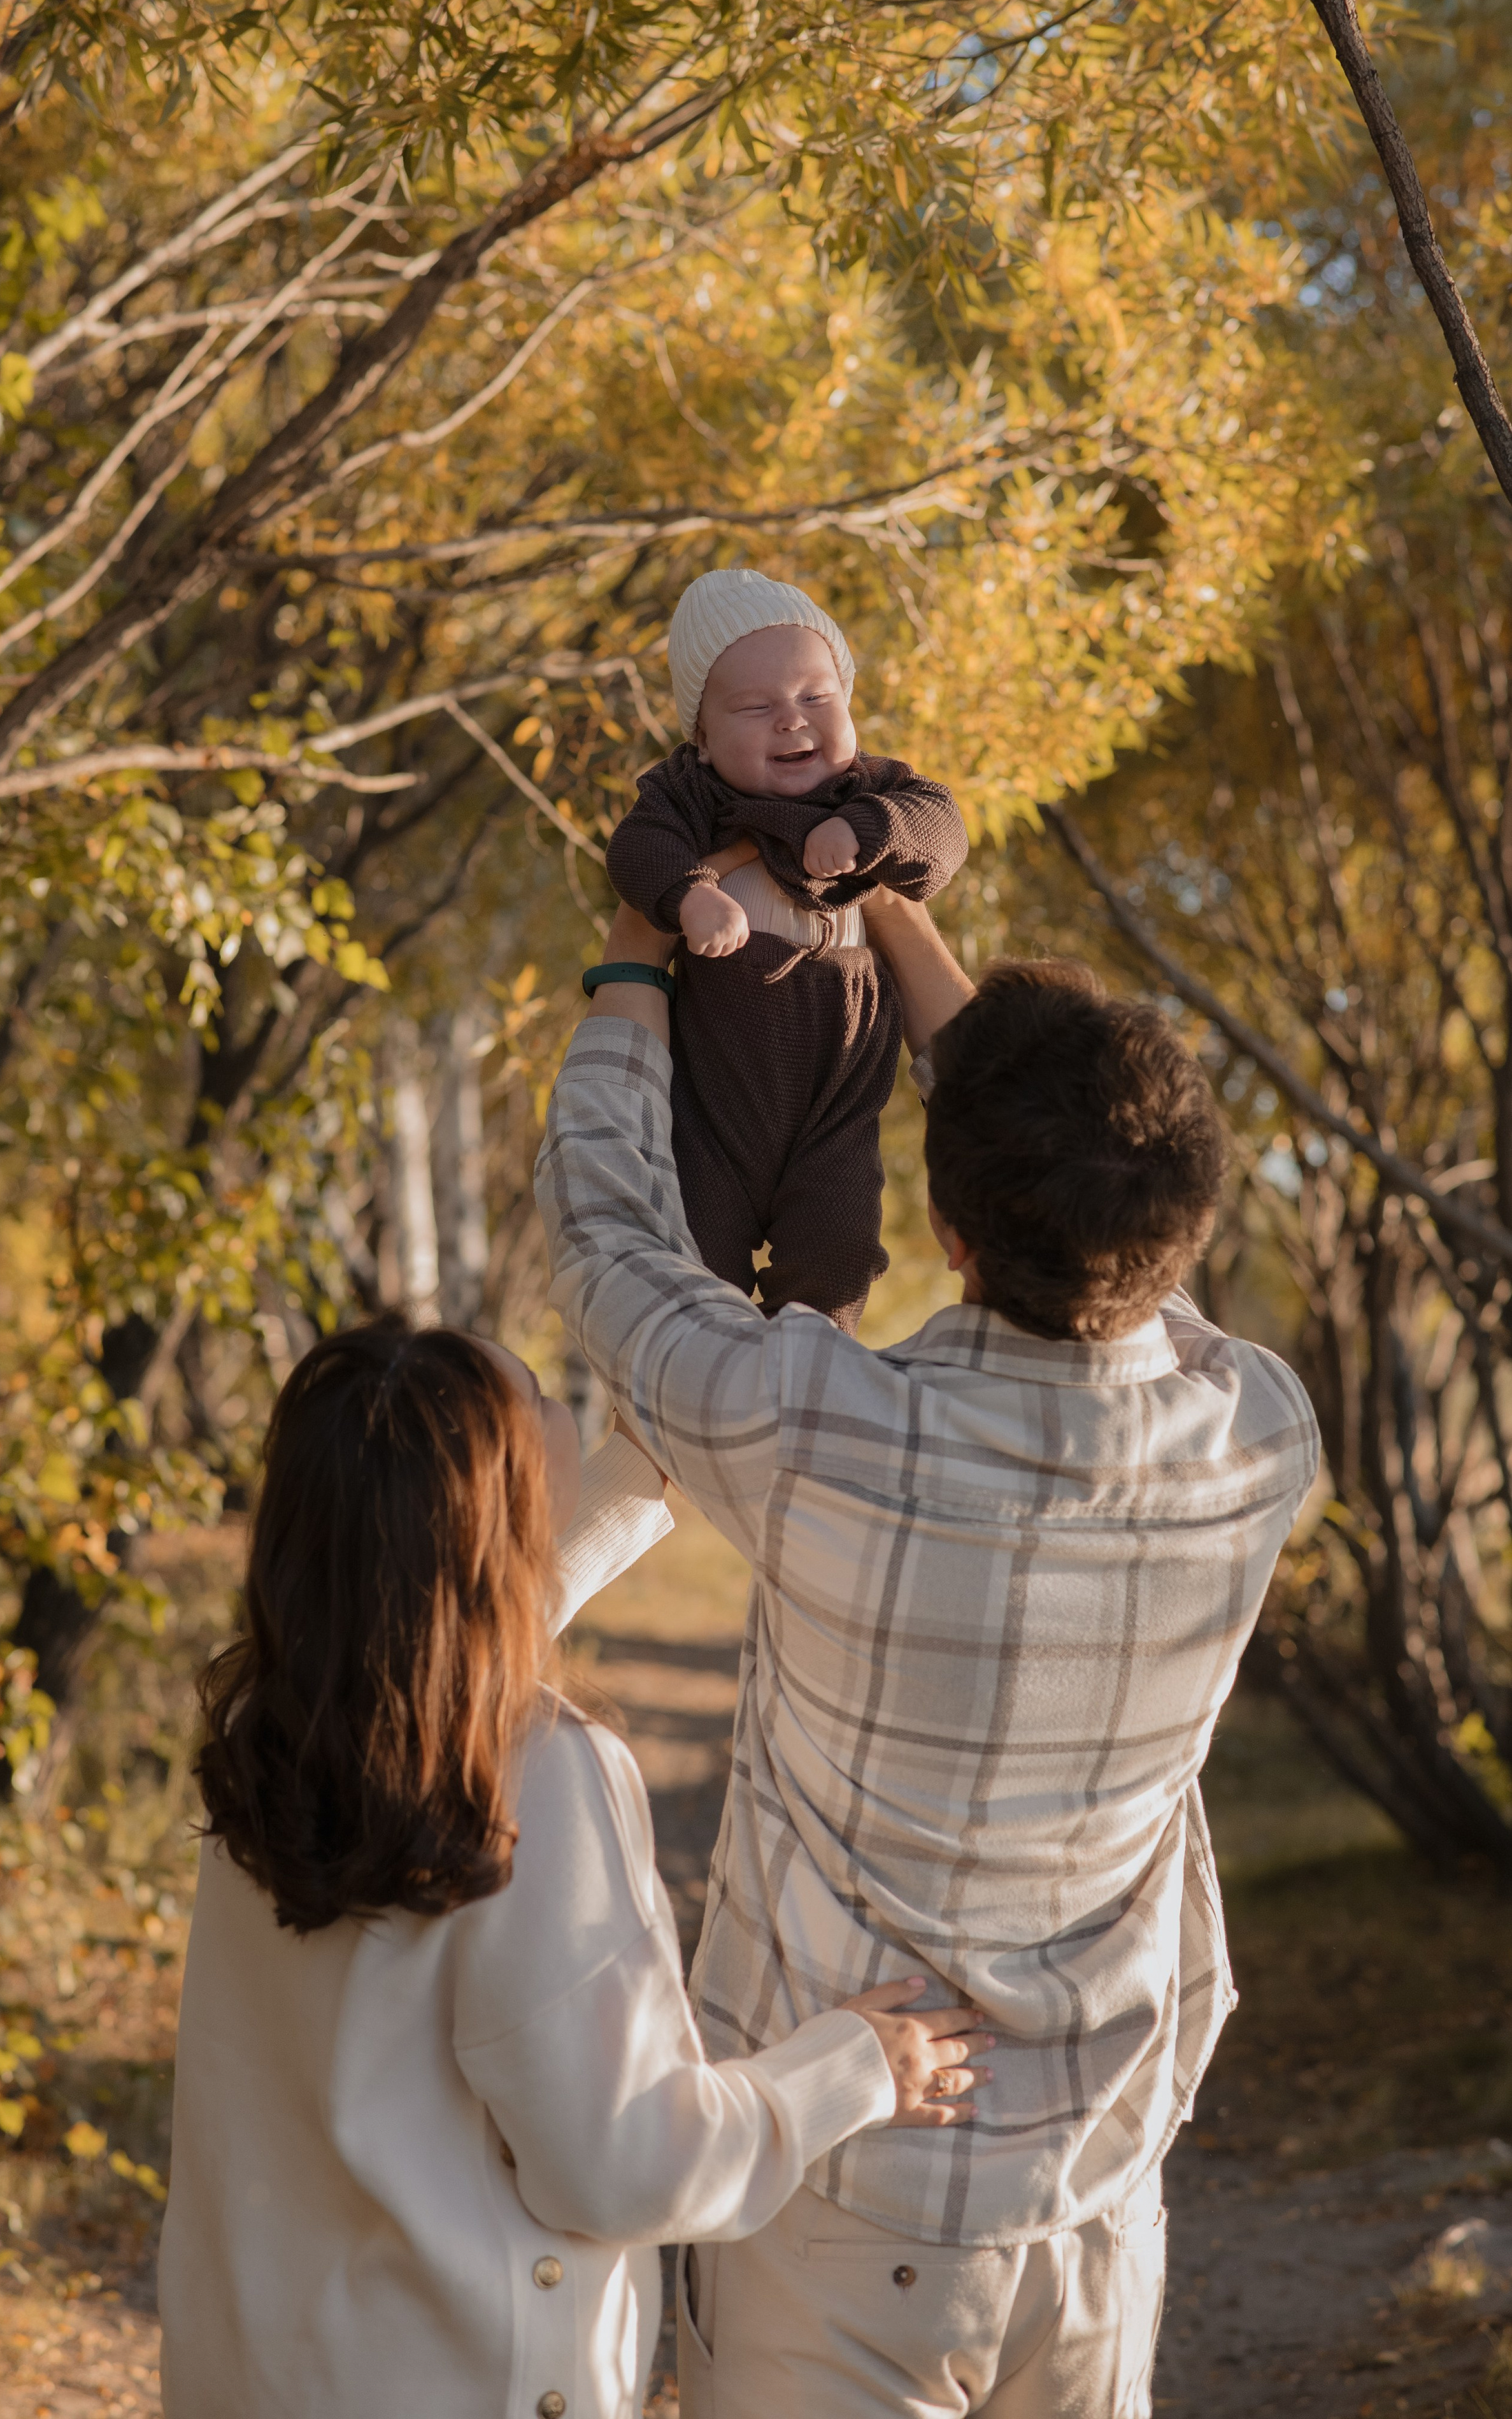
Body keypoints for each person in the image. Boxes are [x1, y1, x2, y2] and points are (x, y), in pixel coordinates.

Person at [535, 895, 1321, 2419]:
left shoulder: (819, 1430)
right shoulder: (1256, 1436)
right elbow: (1126, 1238)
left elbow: (607, 1237)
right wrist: (900, 923)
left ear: (946, 1234)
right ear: (1182, 1228)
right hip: (1094, 2206)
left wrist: (637, 958)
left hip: (833, 2202)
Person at [157, 1314, 992, 2419]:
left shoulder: (285, 1725)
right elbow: (630, 2162)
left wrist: (647, 1471)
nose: (562, 1410)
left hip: (266, 2377)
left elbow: (438, 1629)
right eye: (541, 1408)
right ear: (501, 1512)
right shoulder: (538, 1780)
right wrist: (856, 2067)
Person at [603, 568, 967, 1330]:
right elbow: (637, 850)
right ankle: (708, 1379)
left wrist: (867, 833)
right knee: (698, 1252)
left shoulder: (870, 790)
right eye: (754, 707)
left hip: (840, 1079)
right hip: (718, 1087)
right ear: (700, 738)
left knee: (837, 1248)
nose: (791, 722)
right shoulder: (689, 796)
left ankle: (815, 1371)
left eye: (816, 698)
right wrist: (690, 895)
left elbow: (942, 831)